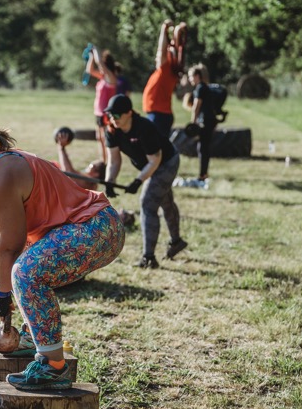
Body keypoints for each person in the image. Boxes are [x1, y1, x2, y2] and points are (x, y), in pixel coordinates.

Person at [0, 117, 125, 390]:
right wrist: (1, 293)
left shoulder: (3, 172)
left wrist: (5, 295)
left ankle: (53, 367)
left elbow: (10, 247)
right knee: (22, 268)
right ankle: (31, 338)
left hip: (97, 228)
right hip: (92, 229)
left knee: (26, 272)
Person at [104, 94, 187, 268]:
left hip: (166, 163)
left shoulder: (143, 127)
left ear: (129, 113)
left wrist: (138, 181)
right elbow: (114, 160)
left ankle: (148, 257)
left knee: (148, 203)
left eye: (117, 115)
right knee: (165, 201)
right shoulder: (112, 129)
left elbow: (155, 160)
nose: (113, 119)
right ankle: (177, 241)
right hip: (150, 165)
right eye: (110, 115)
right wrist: (109, 180)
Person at [142, 20, 185, 140]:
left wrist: (164, 28)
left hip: (158, 115)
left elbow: (161, 51)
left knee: (155, 146)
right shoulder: (168, 72)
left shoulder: (165, 70)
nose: (156, 57)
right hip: (160, 114)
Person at [186, 64, 221, 183]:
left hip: (205, 121)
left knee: (203, 148)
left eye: (191, 76)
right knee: (203, 147)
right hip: (209, 121)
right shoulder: (205, 87)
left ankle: (203, 175)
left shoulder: (200, 88)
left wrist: (193, 122)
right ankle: (204, 173)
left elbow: (196, 106)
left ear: (197, 76)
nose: (190, 79)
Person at [85, 46, 118, 162]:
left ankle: (109, 161)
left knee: (105, 138)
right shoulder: (103, 77)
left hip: (105, 113)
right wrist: (91, 56)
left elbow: (100, 63)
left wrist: (94, 50)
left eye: (102, 66)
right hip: (98, 113)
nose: (100, 68)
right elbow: (90, 70)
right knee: (99, 138)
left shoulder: (111, 78)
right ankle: (103, 160)